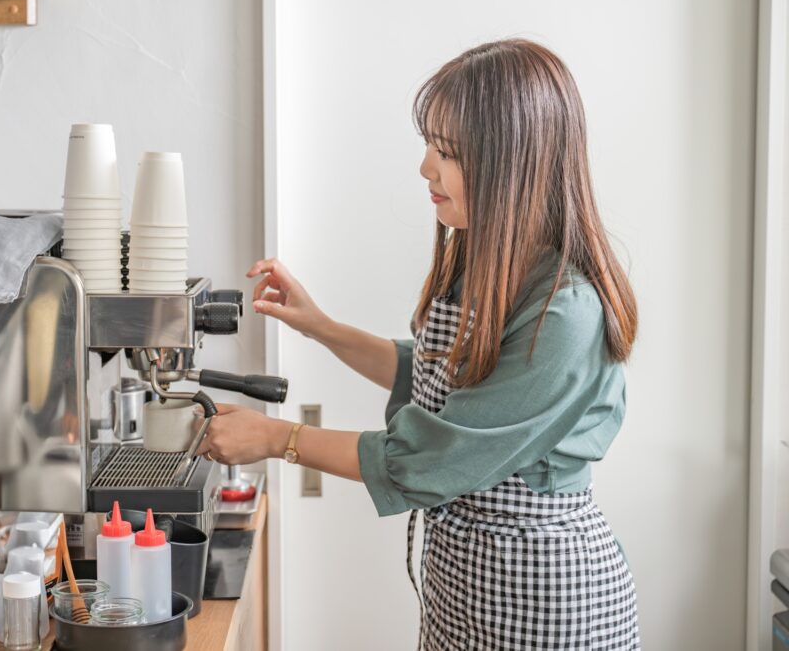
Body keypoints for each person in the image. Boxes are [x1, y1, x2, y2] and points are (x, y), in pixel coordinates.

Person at [197, 39, 640, 649]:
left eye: (448, 152)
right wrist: (318, 324)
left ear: (514, 163)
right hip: (467, 581)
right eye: (429, 144)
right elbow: (431, 374)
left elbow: (430, 458)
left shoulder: (565, 310)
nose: (425, 167)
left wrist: (278, 438)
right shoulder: (487, 258)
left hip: (544, 595)